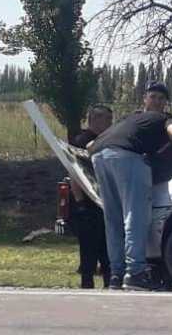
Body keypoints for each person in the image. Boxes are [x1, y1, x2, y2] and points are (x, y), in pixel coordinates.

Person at [89, 81, 172, 290]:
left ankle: (115, 275)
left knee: (113, 219)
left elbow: (90, 145)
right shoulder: (164, 119)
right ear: (145, 99)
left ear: (165, 102)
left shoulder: (128, 119)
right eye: (153, 96)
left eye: (160, 98)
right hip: (128, 157)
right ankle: (136, 273)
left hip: (100, 156)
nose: (156, 101)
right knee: (135, 216)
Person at [67, 105, 113, 289]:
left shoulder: (106, 139)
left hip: (103, 201)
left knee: (106, 245)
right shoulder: (81, 141)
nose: (110, 123)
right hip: (86, 202)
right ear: (95, 119)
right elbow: (75, 173)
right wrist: (79, 203)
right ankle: (87, 282)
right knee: (89, 245)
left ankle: (109, 281)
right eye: (107, 119)